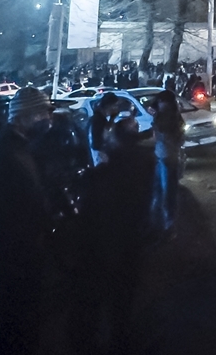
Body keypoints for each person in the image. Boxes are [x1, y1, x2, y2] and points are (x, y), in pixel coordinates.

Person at [0, 87, 54, 355]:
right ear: (22, 117)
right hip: (9, 267)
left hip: (12, 262)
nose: (47, 119)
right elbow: (1, 216)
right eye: (41, 113)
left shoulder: (15, 147)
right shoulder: (5, 154)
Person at [69, 116, 156, 353]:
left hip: (103, 246)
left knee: (97, 300)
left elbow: (88, 213)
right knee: (123, 299)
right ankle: (122, 338)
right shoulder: (144, 164)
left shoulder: (101, 175)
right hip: (129, 242)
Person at [151, 89, 186, 234]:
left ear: (165, 102)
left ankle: (168, 226)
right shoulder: (174, 116)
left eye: (160, 102)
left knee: (166, 194)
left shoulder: (167, 116)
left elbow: (161, 131)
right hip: (166, 157)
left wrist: (155, 114)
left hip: (167, 158)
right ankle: (160, 223)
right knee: (161, 192)